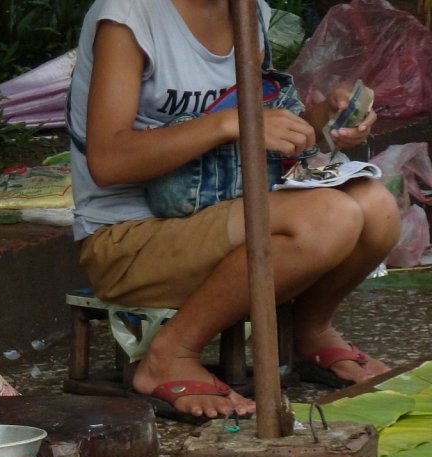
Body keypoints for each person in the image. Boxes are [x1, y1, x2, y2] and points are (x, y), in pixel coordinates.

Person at [68, 0, 402, 419]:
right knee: (330, 216)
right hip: (127, 240)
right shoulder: (130, 16)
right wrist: (231, 124)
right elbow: (108, 162)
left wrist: (322, 121)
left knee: (376, 205)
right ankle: (170, 353)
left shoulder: (249, 10)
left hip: (215, 210)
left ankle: (310, 331)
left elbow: (259, 132)